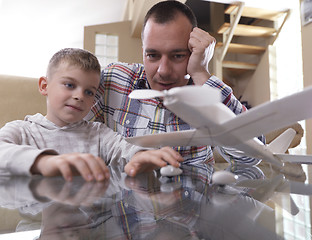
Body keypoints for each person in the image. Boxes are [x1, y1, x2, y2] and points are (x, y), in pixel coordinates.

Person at [85, 1, 263, 176]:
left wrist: (201, 74)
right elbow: (65, 127)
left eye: (177, 56)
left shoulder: (205, 94)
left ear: (193, 53)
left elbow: (251, 158)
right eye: (152, 55)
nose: (163, 71)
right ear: (143, 53)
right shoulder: (113, 80)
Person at [0, 48, 183, 182]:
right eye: (70, 85)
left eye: (89, 92)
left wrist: (140, 156)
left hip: (89, 226)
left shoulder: (98, 134)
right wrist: (44, 162)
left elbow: (124, 149)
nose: (80, 96)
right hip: (36, 224)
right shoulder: (22, 130)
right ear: (44, 86)